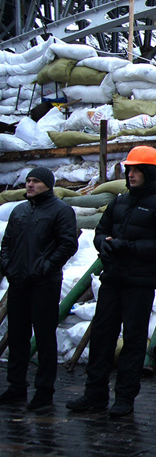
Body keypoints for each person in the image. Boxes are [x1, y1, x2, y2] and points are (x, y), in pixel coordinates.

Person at [66, 146, 156, 417]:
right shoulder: (119, 202)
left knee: (133, 340)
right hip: (112, 280)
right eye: (129, 169)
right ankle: (94, 394)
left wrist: (128, 247)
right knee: (102, 337)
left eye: (137, 170)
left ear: (149, 173)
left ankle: (125, 398)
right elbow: (101, 230)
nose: (131, 174)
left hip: (139, 284)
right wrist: (102, 244)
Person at [0, 168, 77, 412]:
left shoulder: (61, 210)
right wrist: (8, 266)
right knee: (17, 335)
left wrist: (45, 267)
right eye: (28, 181)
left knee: (44, 337)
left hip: (44, 283)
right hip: (18, 282)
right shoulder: (19, 211)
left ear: (48, 185)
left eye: (36, 181)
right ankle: (16, 386)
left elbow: (68, 244)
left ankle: (44, 390)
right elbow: (6, 243)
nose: (30, 185)